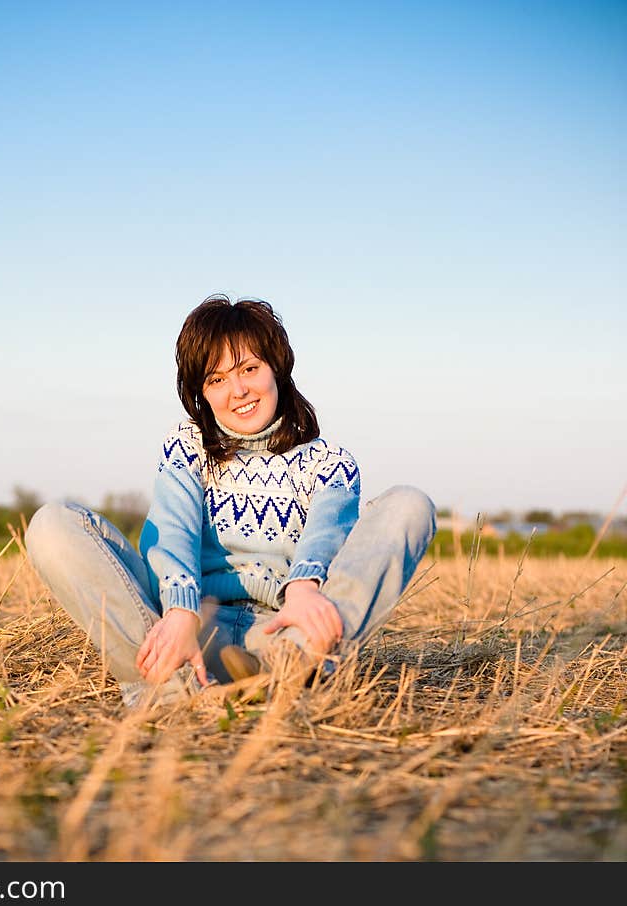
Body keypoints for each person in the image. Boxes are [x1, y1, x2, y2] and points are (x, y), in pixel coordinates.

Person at [24, 295, 436, 708]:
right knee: (53, 523)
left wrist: (304, 588)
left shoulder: (329, 462)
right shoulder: (188, 445)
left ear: (277, 367)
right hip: (188, 633)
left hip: (283, 630)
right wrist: (182, 612)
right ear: (201, 392)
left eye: (249, 369)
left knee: (409, 504)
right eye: (216, 380)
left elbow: (328, 533)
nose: (238, 391)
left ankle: (298, 671)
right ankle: (169, 688)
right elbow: (174, 528)